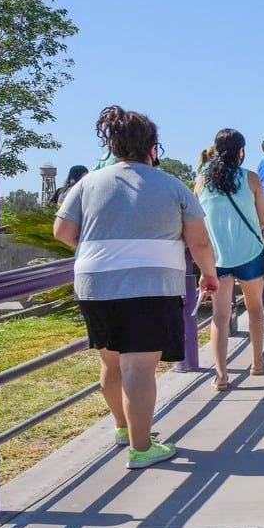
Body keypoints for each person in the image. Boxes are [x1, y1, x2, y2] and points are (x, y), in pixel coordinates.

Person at [53, 105, 218, 470]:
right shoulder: (172, 185)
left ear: (111, 143)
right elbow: (199, 240)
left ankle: (124, 429)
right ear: (153, 147)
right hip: (151, 284)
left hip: (95, 283)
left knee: (112, 361)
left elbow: (62, 232)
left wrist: (101, 246)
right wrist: (209, 274)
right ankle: (142, 449)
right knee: (139, 368)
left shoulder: (88, 184)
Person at [194, 128, 264, 392]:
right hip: (249, 254)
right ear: (240, 151)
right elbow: (263, 221)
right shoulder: (251, 179)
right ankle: (257, 361)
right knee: (254, 309)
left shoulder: (201, 181)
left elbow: (197, 222)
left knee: (220, 316)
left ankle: (220, 375)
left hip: (217, 258)